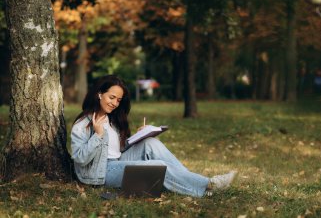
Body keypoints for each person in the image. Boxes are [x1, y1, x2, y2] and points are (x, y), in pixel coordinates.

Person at [70, 75, 236, 197]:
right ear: (100, 94)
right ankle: (208, 184)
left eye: (118, 100)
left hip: (118, 161)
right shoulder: (82, 125)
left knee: (150, 142)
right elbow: (80, 158)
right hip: (101, 172)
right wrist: (97, 135)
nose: (114, 103)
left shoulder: (111, 118)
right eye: (111, 97)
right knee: (157, 165)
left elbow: (115, 149)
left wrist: (140, 136)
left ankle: (192, 181)